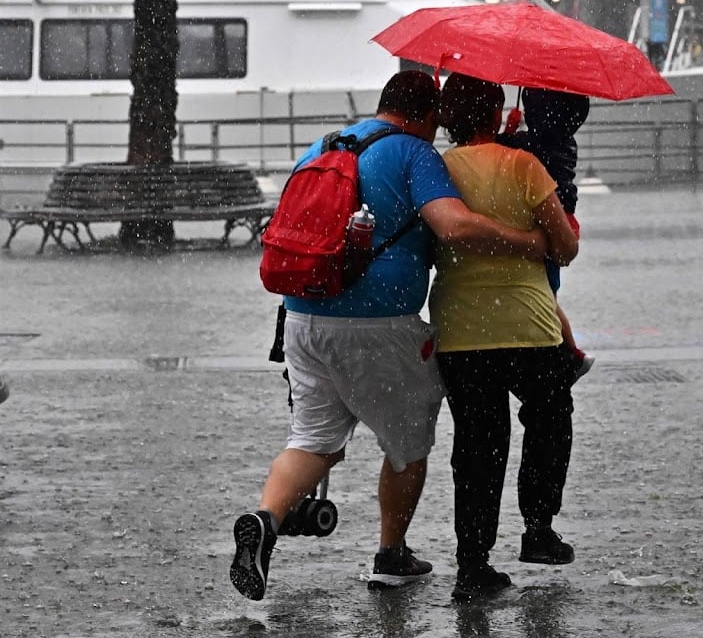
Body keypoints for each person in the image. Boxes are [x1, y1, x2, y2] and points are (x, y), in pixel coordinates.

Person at [229, 70, 548, 602]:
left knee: (313, 439)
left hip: (303, 317)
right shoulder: (412, 152)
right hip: (377, 324)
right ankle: (391, 552)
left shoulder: (327, 144)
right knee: (407, 443)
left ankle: (265, 521)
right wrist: (524, 240)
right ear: (428, 115)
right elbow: (453, 226)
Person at [429, 73, 580, 601]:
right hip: (529, 326)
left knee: (477, 447)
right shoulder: (524, 164)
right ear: (496, 112)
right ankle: (538, 527)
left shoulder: (437, 171)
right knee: (549, 419)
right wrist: (534, 240)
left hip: (461, 331)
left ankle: (473, 563)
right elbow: (563, 249)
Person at [497, 87, 594, 380]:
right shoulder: (564, 142)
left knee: (547, 297)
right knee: (550, 294)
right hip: (564, 221)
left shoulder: (533, 144)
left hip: (549, 224)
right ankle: (571, 353)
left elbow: (502, 147)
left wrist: (508, 130)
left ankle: (571, 355)